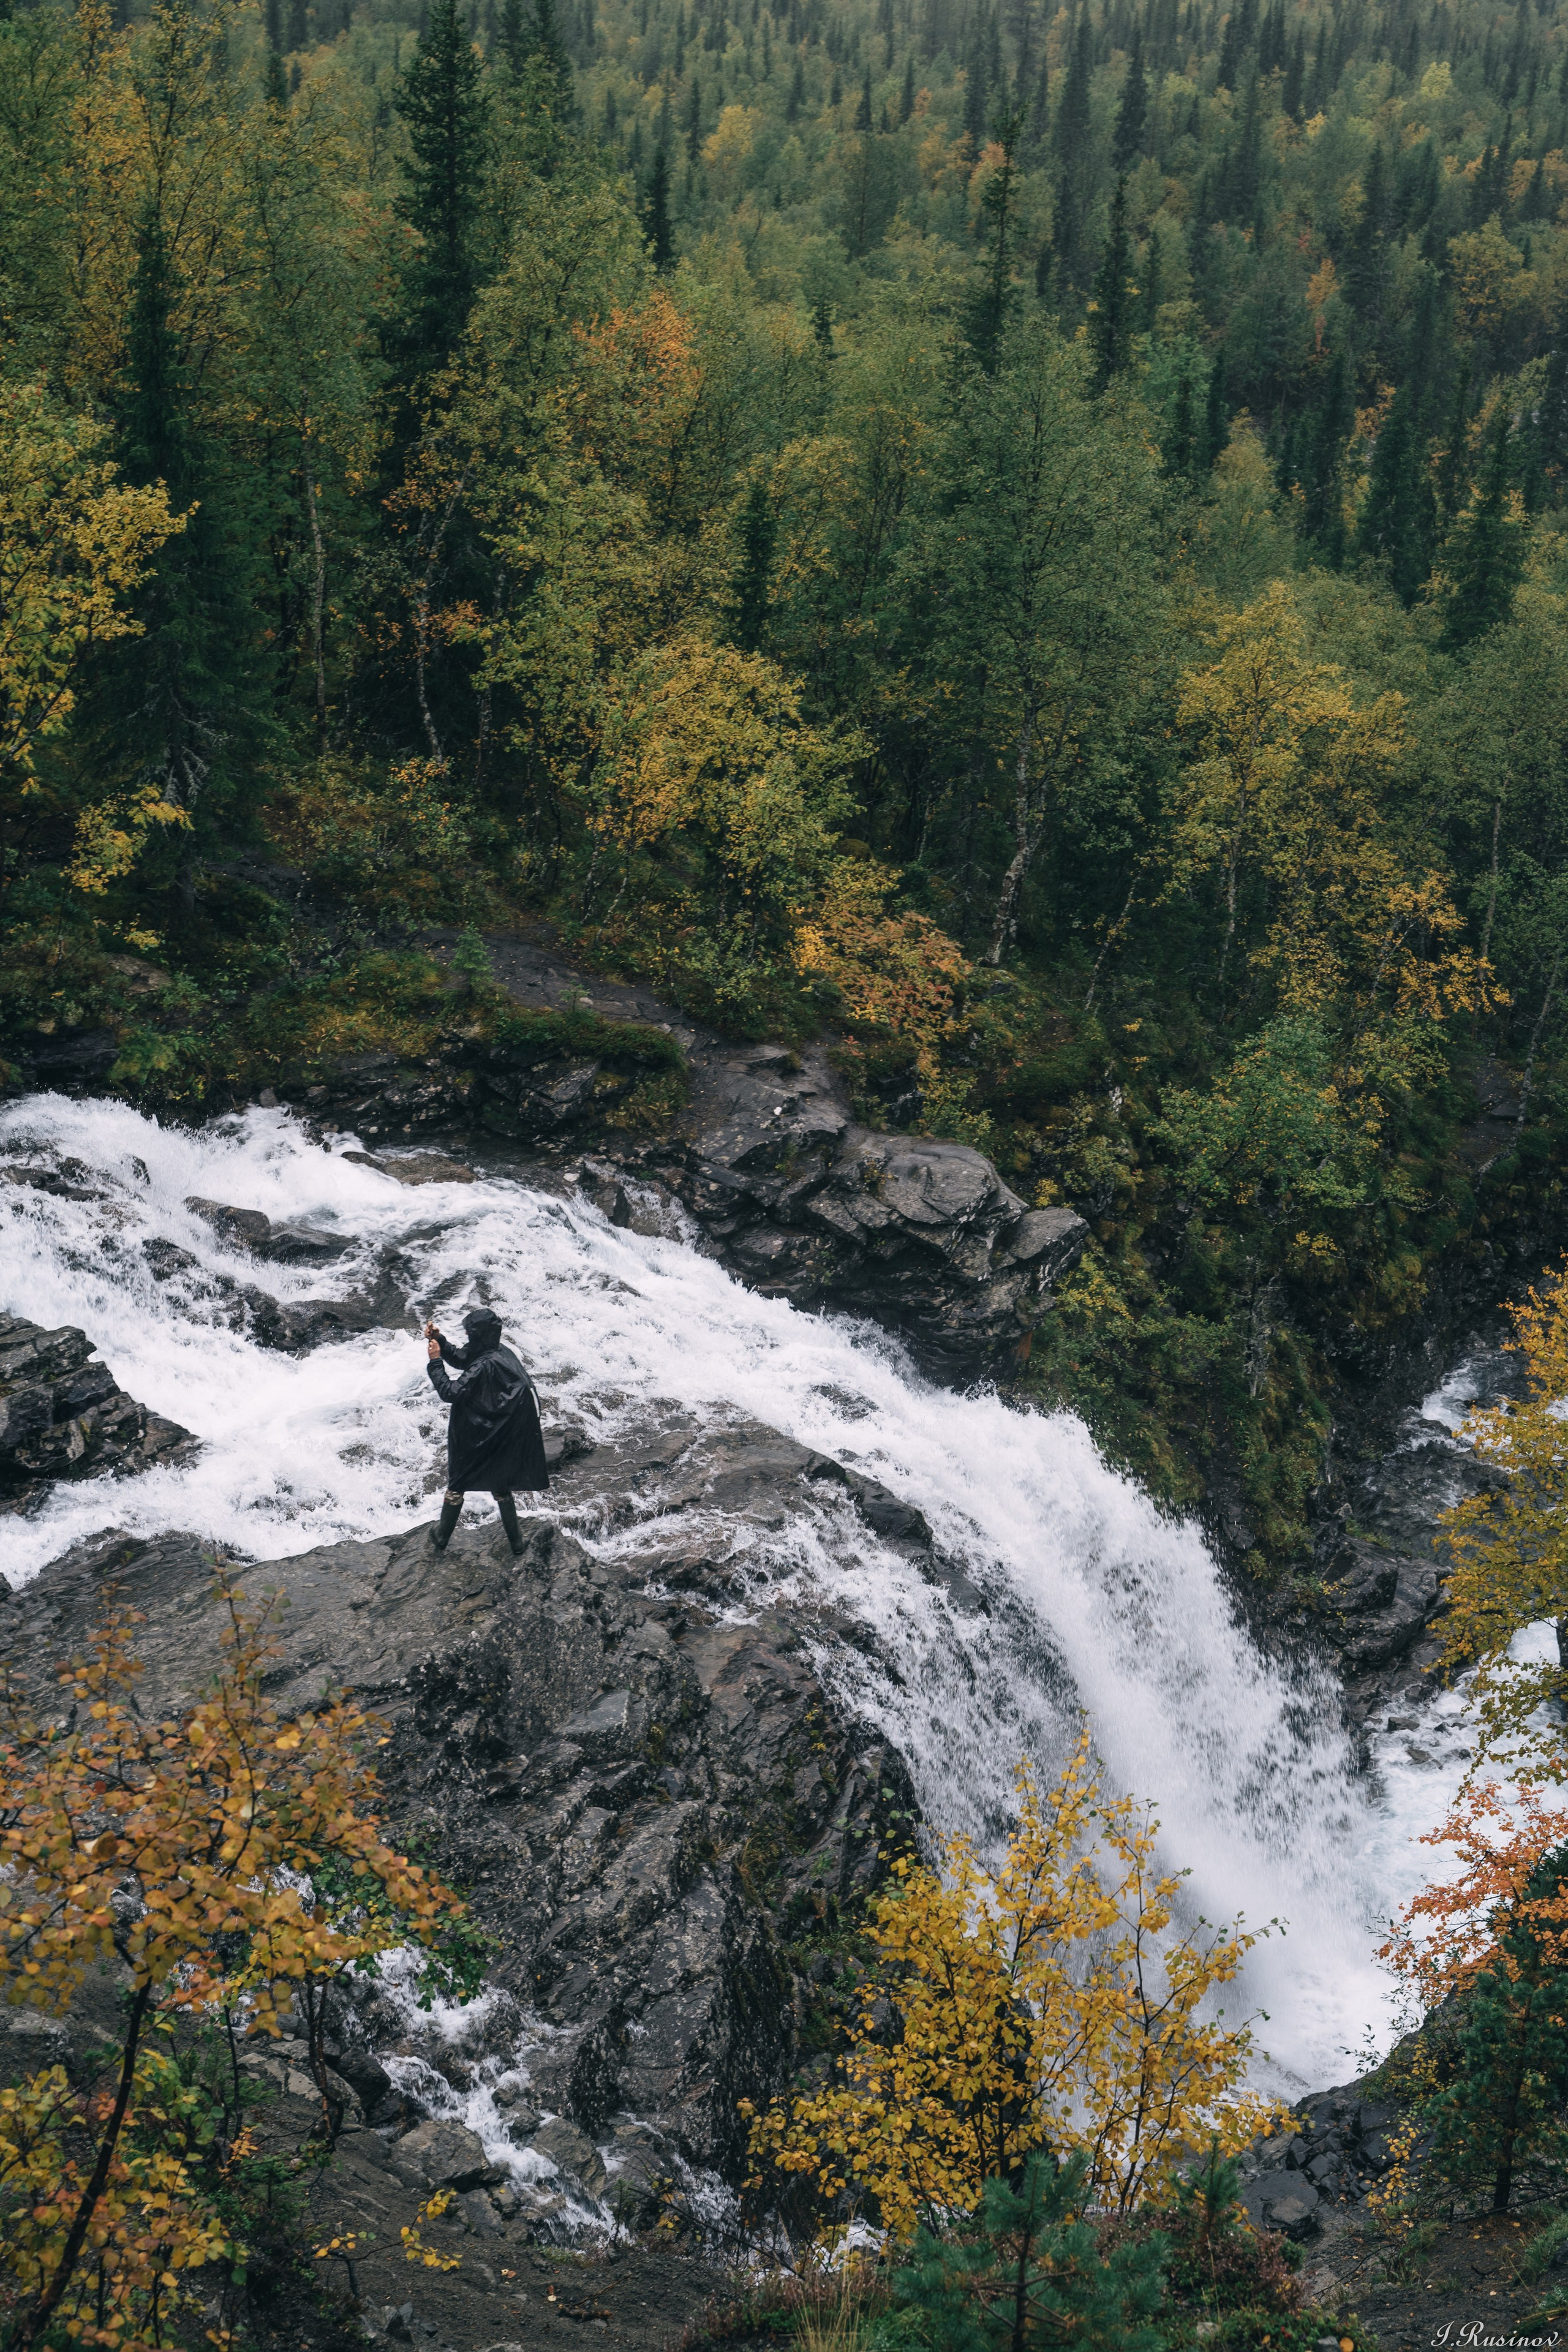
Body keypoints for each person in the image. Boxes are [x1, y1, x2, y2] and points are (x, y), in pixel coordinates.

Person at [424, 1305, 548, 1556]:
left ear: (477, 1335)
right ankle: (517, 1544)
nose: (468, 1338)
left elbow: (451, 1392)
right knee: (500, 1484)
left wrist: (436, 1361)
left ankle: (441, 1538)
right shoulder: (500, 1351)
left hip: (480, 1433)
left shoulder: (484, 1365)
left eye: (470, 1334)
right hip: (503, 1430)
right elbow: (463, 1358)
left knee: (458, 1483)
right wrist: (439, 1340)